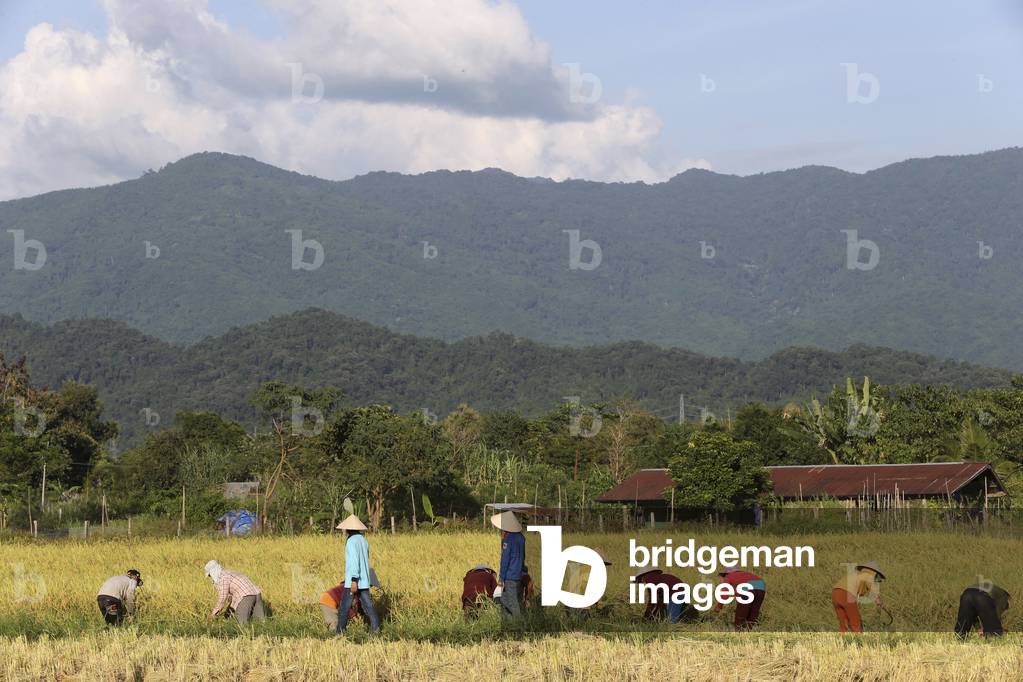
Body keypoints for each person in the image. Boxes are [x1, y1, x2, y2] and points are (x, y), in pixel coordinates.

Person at [336, 514, 382, 634]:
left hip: (354, 581)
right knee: (368, 606)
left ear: (348, 529)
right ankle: (376, 629)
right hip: (364, 581)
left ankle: (340, 632)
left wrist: (353, 580)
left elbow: (354, 562)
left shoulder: (351, 542)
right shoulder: (363, 540)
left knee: (344, 607)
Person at [204, 560, 266, 624]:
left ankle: (245, 633)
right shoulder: (229, 572)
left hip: (246, 596)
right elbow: (234, 600)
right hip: (257, 594)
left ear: (213, 572)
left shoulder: (223, 578)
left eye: (210, 575)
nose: (211, 578)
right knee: (260, 622)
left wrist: (213, 614)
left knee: (241, 623)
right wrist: (227, 614)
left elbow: (222, 598)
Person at [832, 561, 885, 633]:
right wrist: (879, 601)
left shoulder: (856, 574)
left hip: (835, 593)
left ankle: (843, 641)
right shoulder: (869, 574)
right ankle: (859, 641)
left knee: (843, 622)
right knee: (855, 622)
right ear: (874, 572)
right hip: (847, 594)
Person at [492, 511, 525, 619]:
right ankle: (511, 622)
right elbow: (523, 556)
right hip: (518, 575)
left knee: (509, 601)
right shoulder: (521, 537)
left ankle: (519, 623)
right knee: (512, 599)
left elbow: (505, 561)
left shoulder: (508, 539)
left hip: (510, 576)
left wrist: (501, 579)